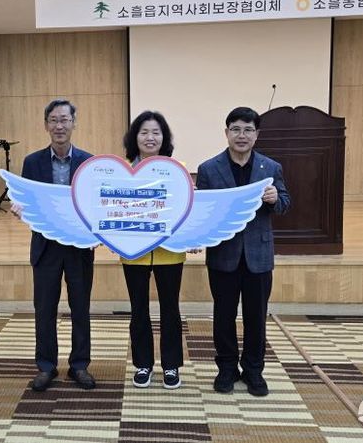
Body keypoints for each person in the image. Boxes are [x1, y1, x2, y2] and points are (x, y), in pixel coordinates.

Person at [196, 106, 290, 397]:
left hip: (258, 257)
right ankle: (226, 369)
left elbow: (285, 203)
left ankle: (253, 370)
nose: (242, 135)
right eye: (236, 129)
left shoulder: (270, 168)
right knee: (223, 316)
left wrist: (275, 199)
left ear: (256, 134)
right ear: (226, 133)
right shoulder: (209, 169)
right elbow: (203, 210)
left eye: (248, 130)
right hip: (223, 255)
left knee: (256, 317)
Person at [12, 99, 96, 391]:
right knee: (44, 309)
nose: (59, 126)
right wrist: (20, 209)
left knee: (80, 308)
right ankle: (46, 366)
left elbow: (95, 204)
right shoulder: (32, 162)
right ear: (46, 125)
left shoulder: (88, 162)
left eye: (64, 120)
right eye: (54, 120)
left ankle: (79, 365)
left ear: (74, 123)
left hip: (79, 249)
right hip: (45, 247)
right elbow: (26, 200)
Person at [120, 111, 186, 389]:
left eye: (156, 132)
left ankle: (171, 365)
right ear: (135, 137)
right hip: (133, 253)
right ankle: (143, 364)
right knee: (138, 310)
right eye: (144, 132)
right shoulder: (122, 172)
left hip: (170, 253)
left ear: (164, 138)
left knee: (170, 309)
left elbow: (185, 210)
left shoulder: (178, 169)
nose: (150, 137)